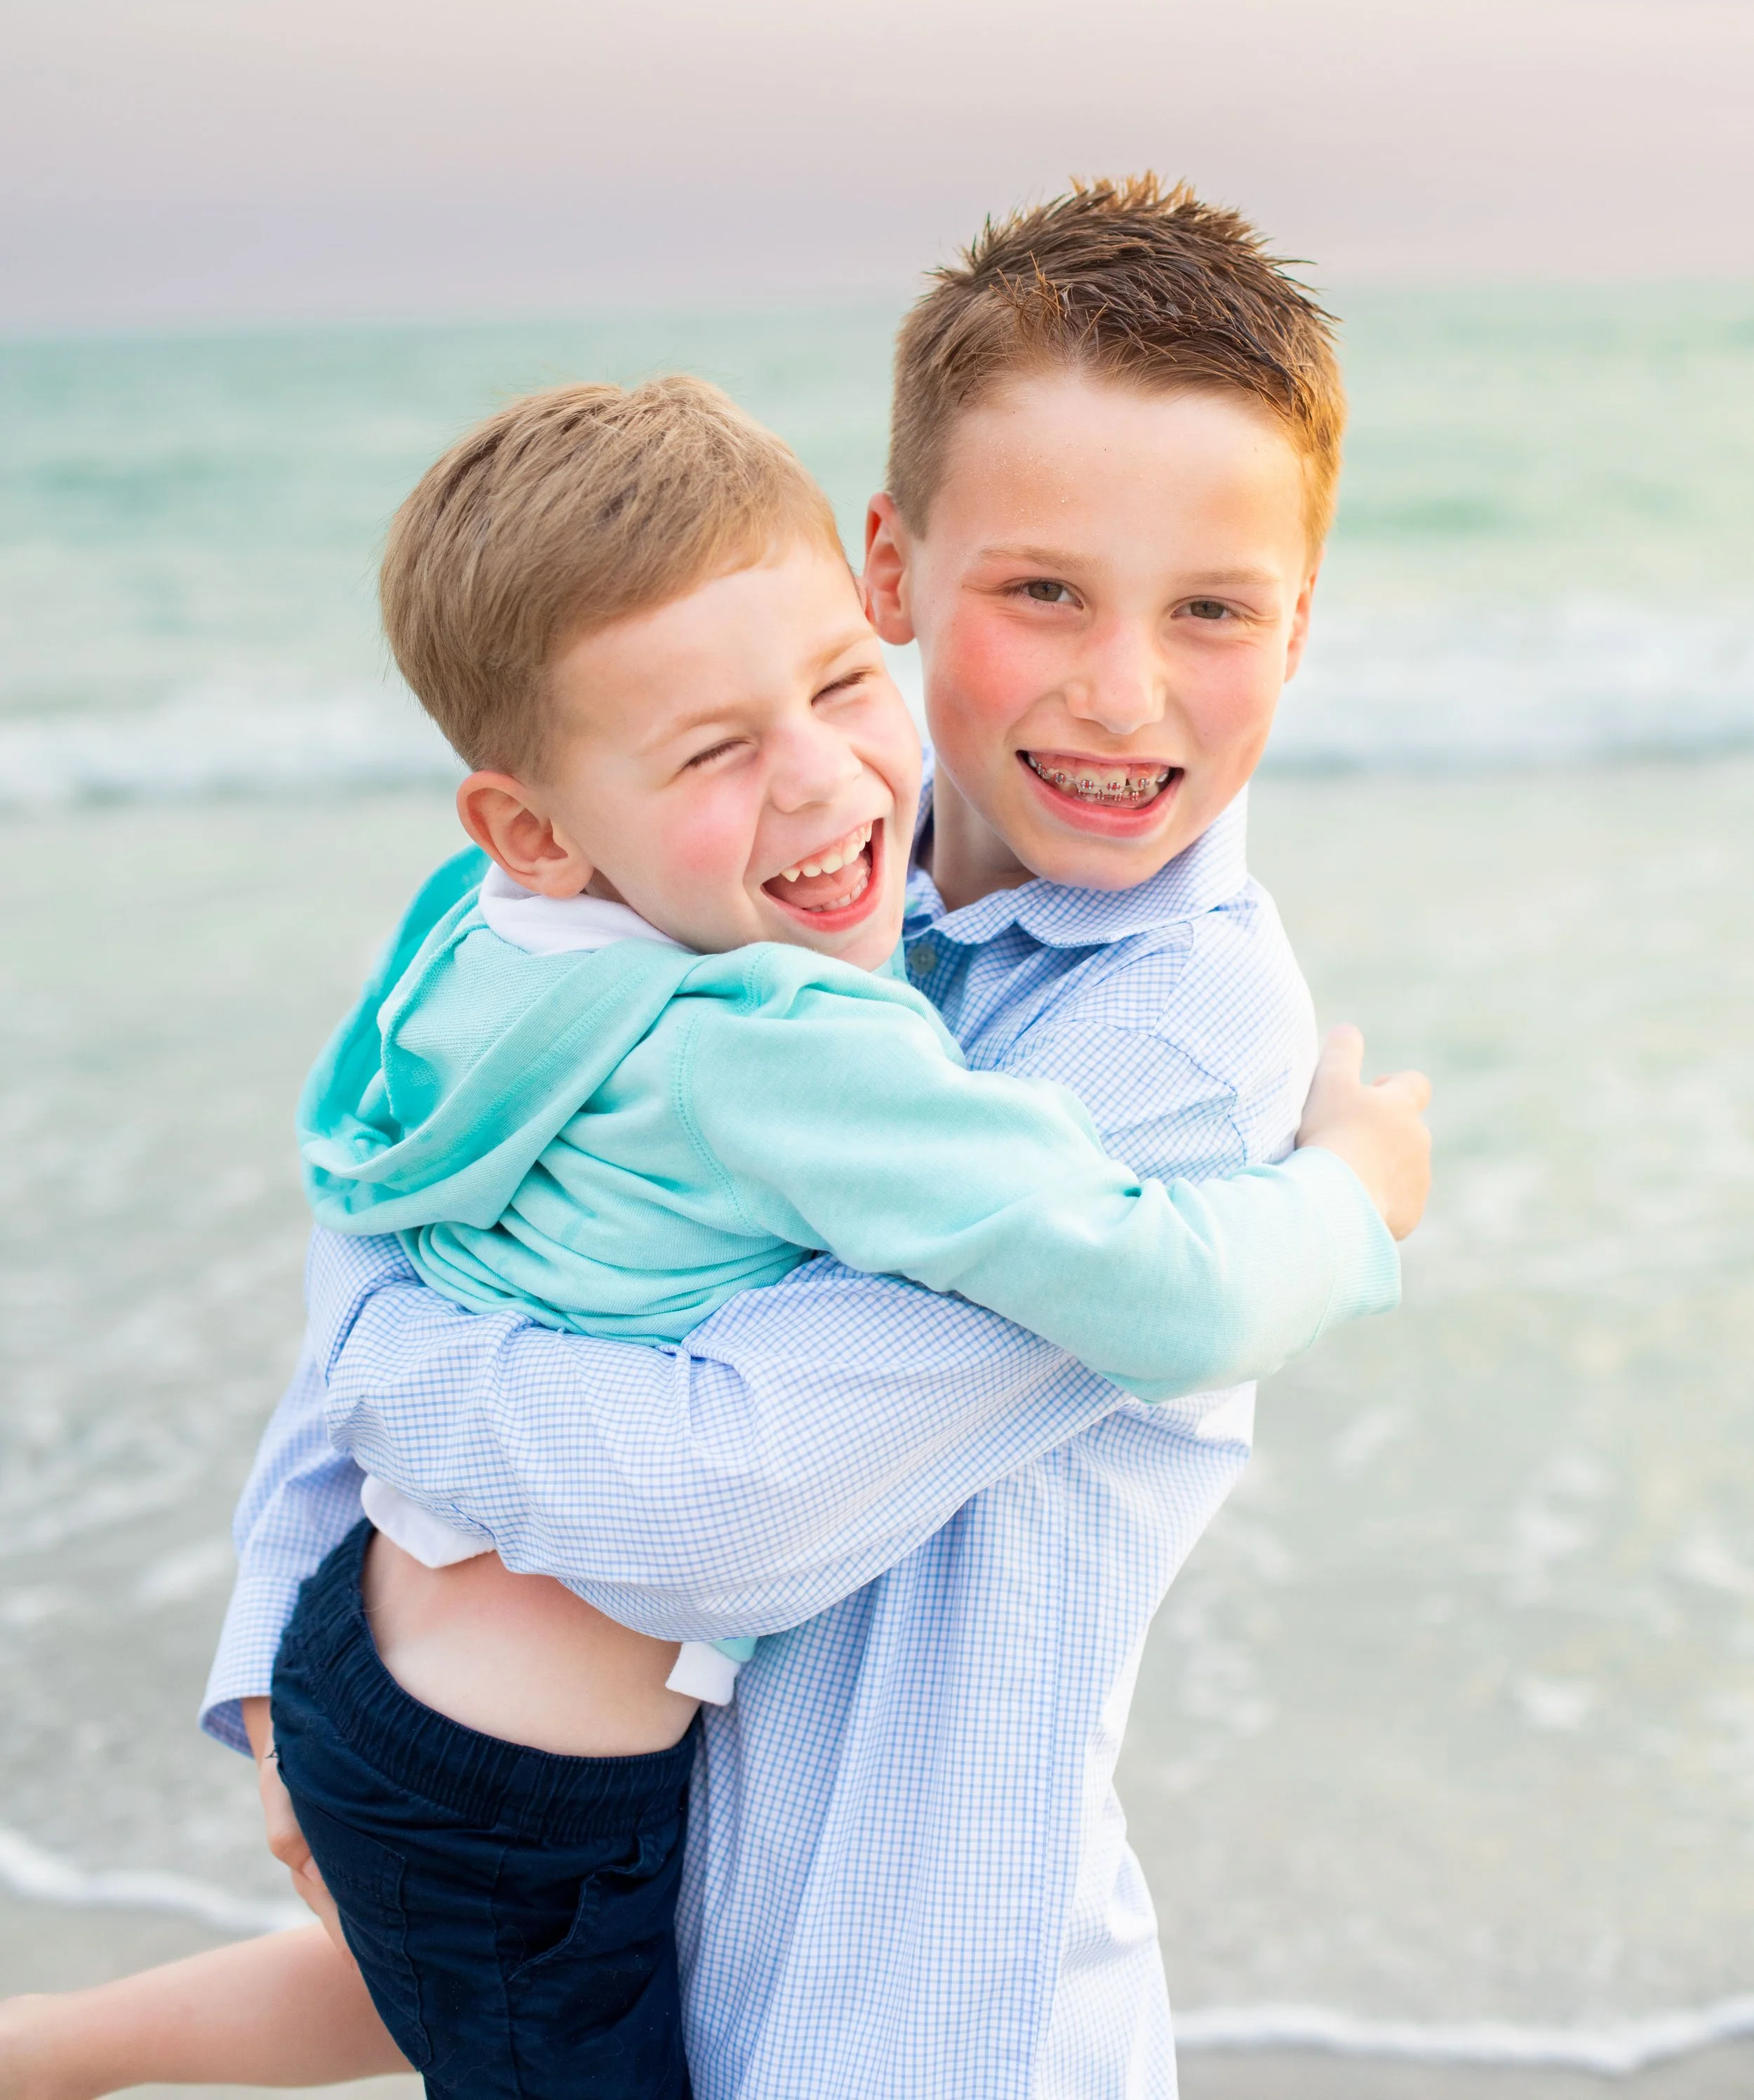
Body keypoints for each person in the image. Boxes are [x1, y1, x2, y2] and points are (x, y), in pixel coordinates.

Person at [1, 178, 1431, 2100]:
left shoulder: (1173, 1041)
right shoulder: (777, 864)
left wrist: (391, 1381)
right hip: (640, 1887)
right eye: (1042, 591)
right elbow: (394, 1177)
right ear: (887, 570)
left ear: (1301, 620)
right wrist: (281, 1635)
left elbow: (717, 1507)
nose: (1120, 688)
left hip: (904, 2010)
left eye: (1213, 609)